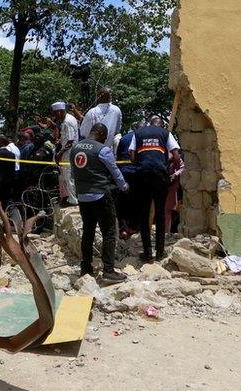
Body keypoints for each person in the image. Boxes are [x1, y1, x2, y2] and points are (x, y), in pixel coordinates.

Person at [70, 123, 128, 283]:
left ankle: (86, 268)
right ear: (102, 135)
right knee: (109, 232)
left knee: (88, 231)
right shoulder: (102, 150)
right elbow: (114, 170)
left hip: (82, 196)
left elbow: (74, 174)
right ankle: (108, 270)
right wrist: (124, 186)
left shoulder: (75, 148)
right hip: (101, 195)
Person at [129, 115, 181, 262]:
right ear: (162, 125)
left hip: (142, 176)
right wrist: (165, 162)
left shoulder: (138, 133)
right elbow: (176, 156)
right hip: (159, 176)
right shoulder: (166, 133)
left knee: (144, 215)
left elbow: (132, 157)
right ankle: (159, 253)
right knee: (160, 214)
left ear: (150, 123)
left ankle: (147, 254)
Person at [115, 122, 142, 239]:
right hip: (138, 173)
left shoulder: (124, 138)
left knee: (122, 202)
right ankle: (134, 227)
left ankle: (123, 229)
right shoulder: (142, 138)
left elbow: (118, 157)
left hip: (124, 173)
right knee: (137, 201)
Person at [51, 101, 79, 206]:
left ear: (59, 112)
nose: (54, 116)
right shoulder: (66, 119)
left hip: (69, 152)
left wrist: (60, 153)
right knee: (63, 176)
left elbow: (70, 141)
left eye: (54, 113)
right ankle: (66, 197)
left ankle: (73, 200)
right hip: (66, 151)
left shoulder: (68, 121)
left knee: (68, 175)